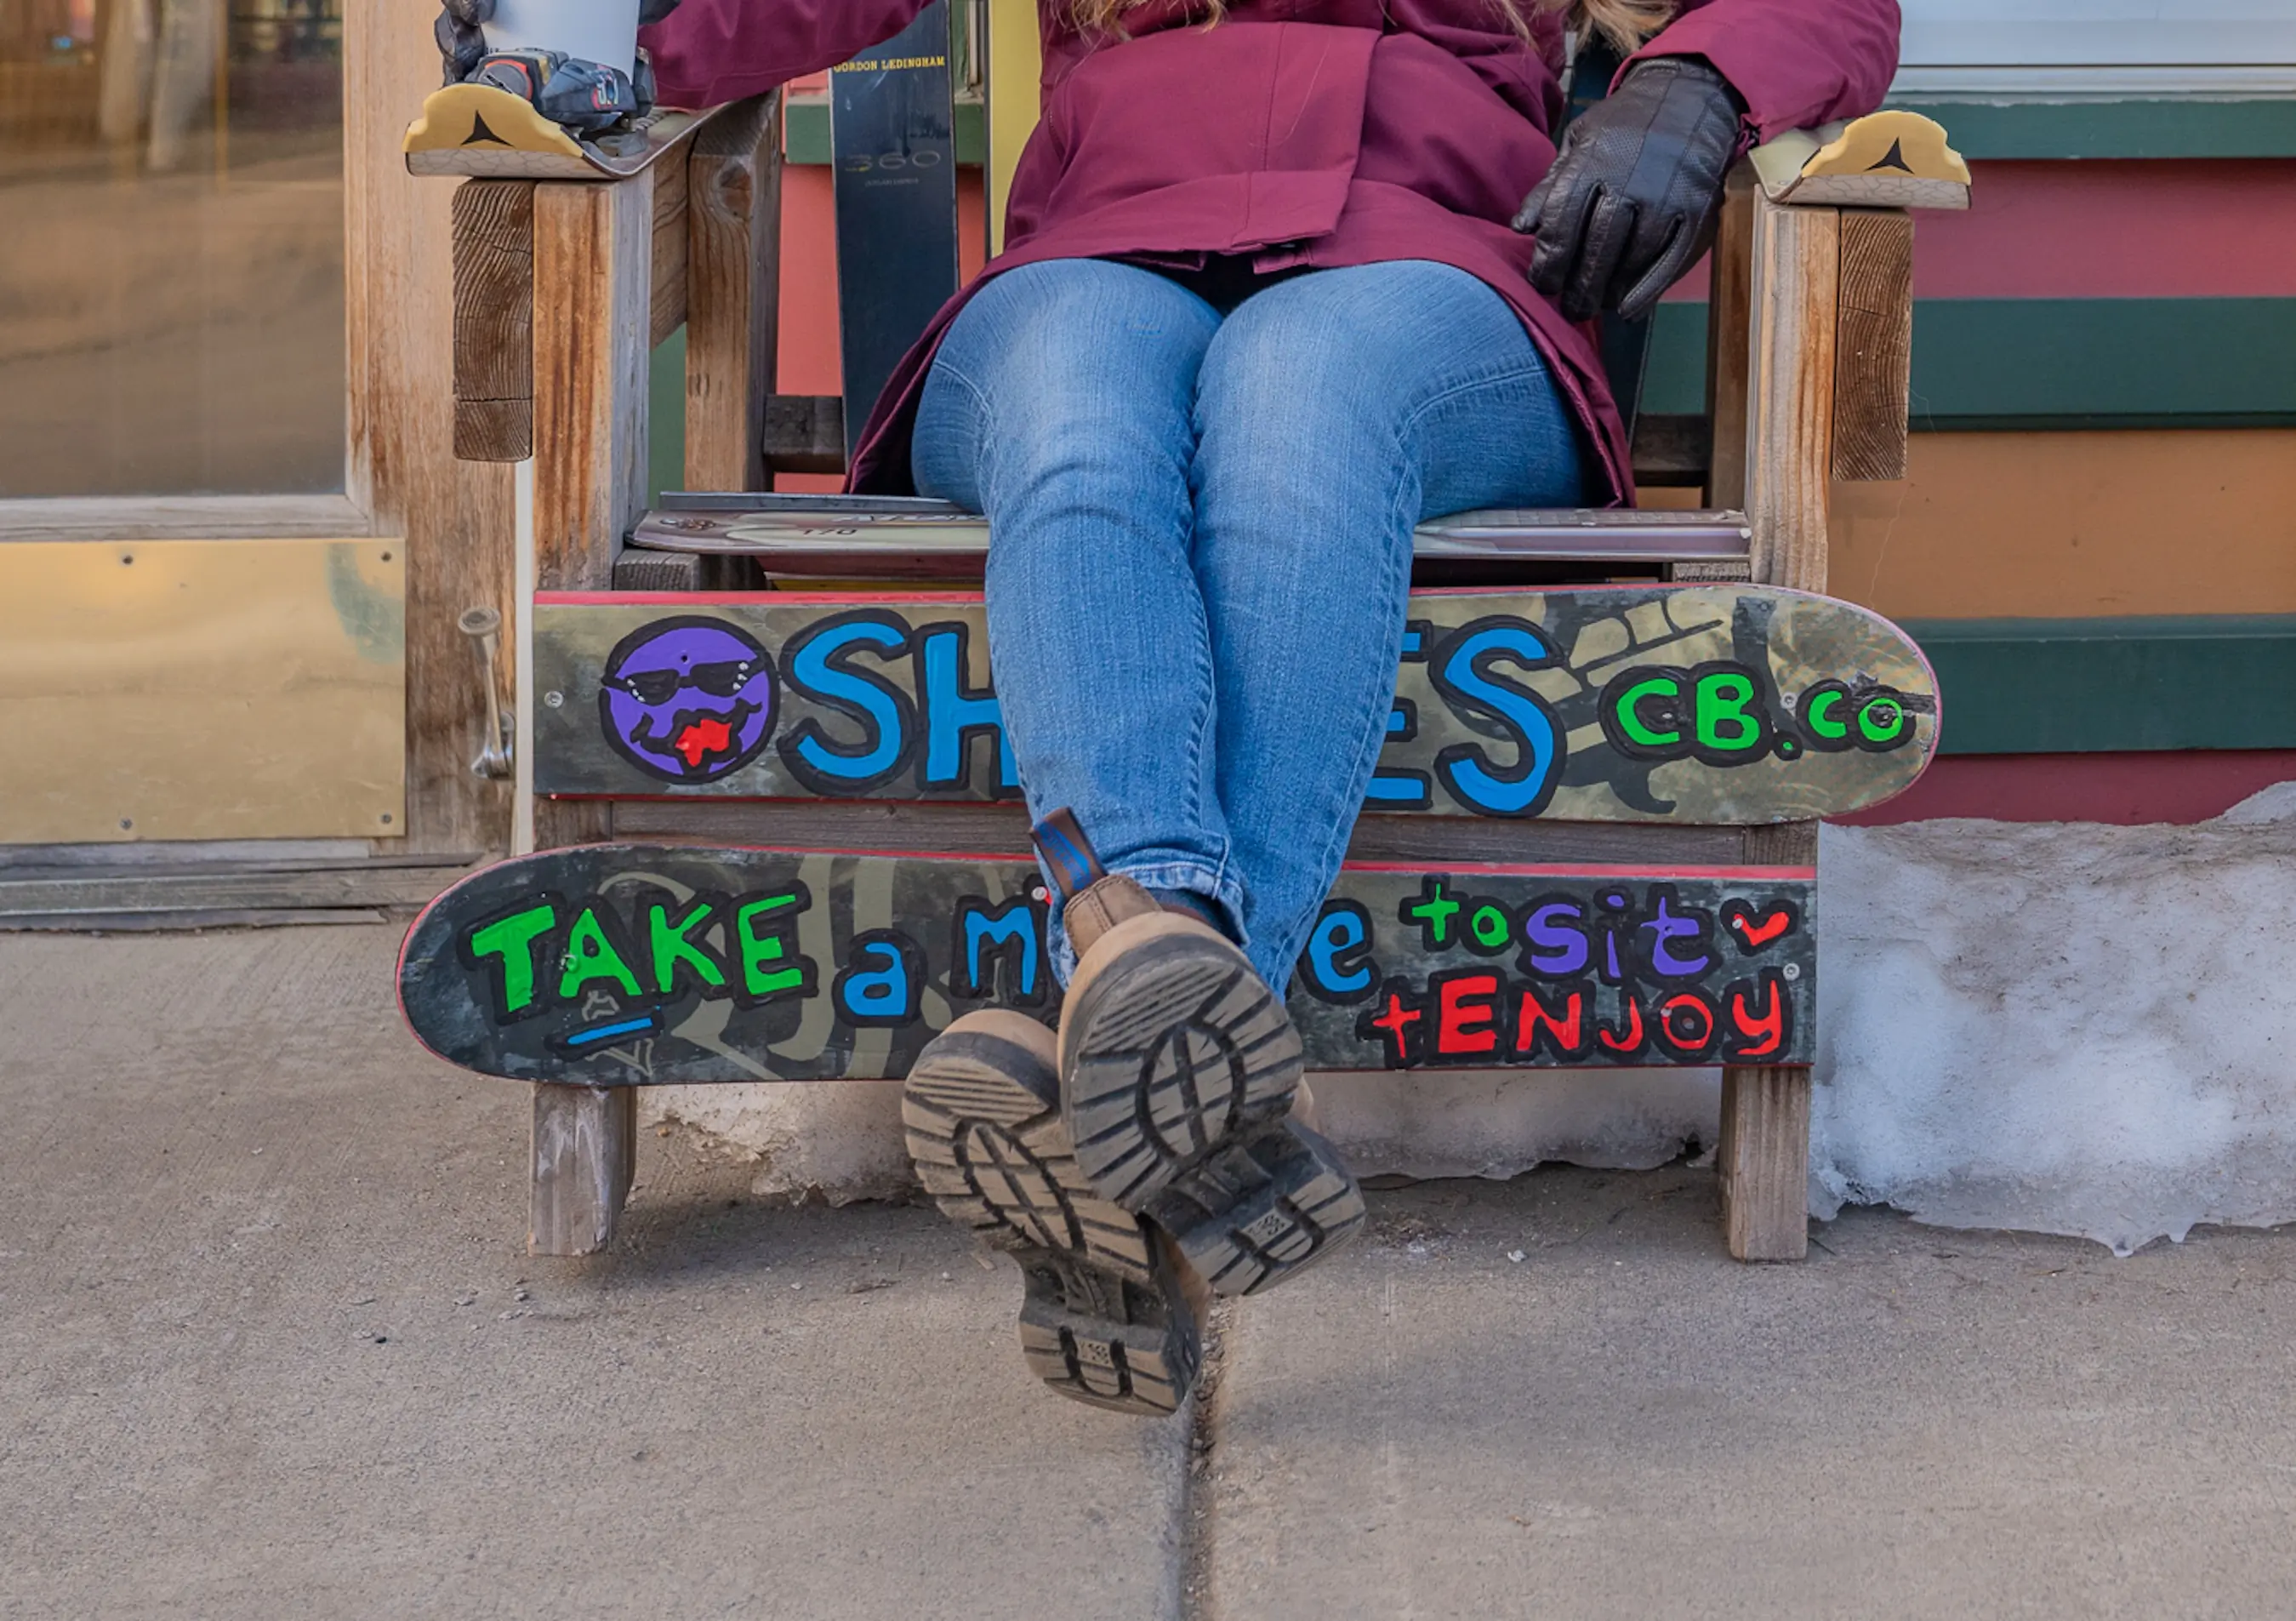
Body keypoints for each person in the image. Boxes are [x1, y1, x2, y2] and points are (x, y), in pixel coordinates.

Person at [439, 0, 1900, 1417]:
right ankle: (1177, 1066)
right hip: (1094, 258)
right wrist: (597, 32)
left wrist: (1698, 84)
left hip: (1430, 283)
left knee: (1298, 393)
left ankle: (1122, 1030)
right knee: (1076, 417)